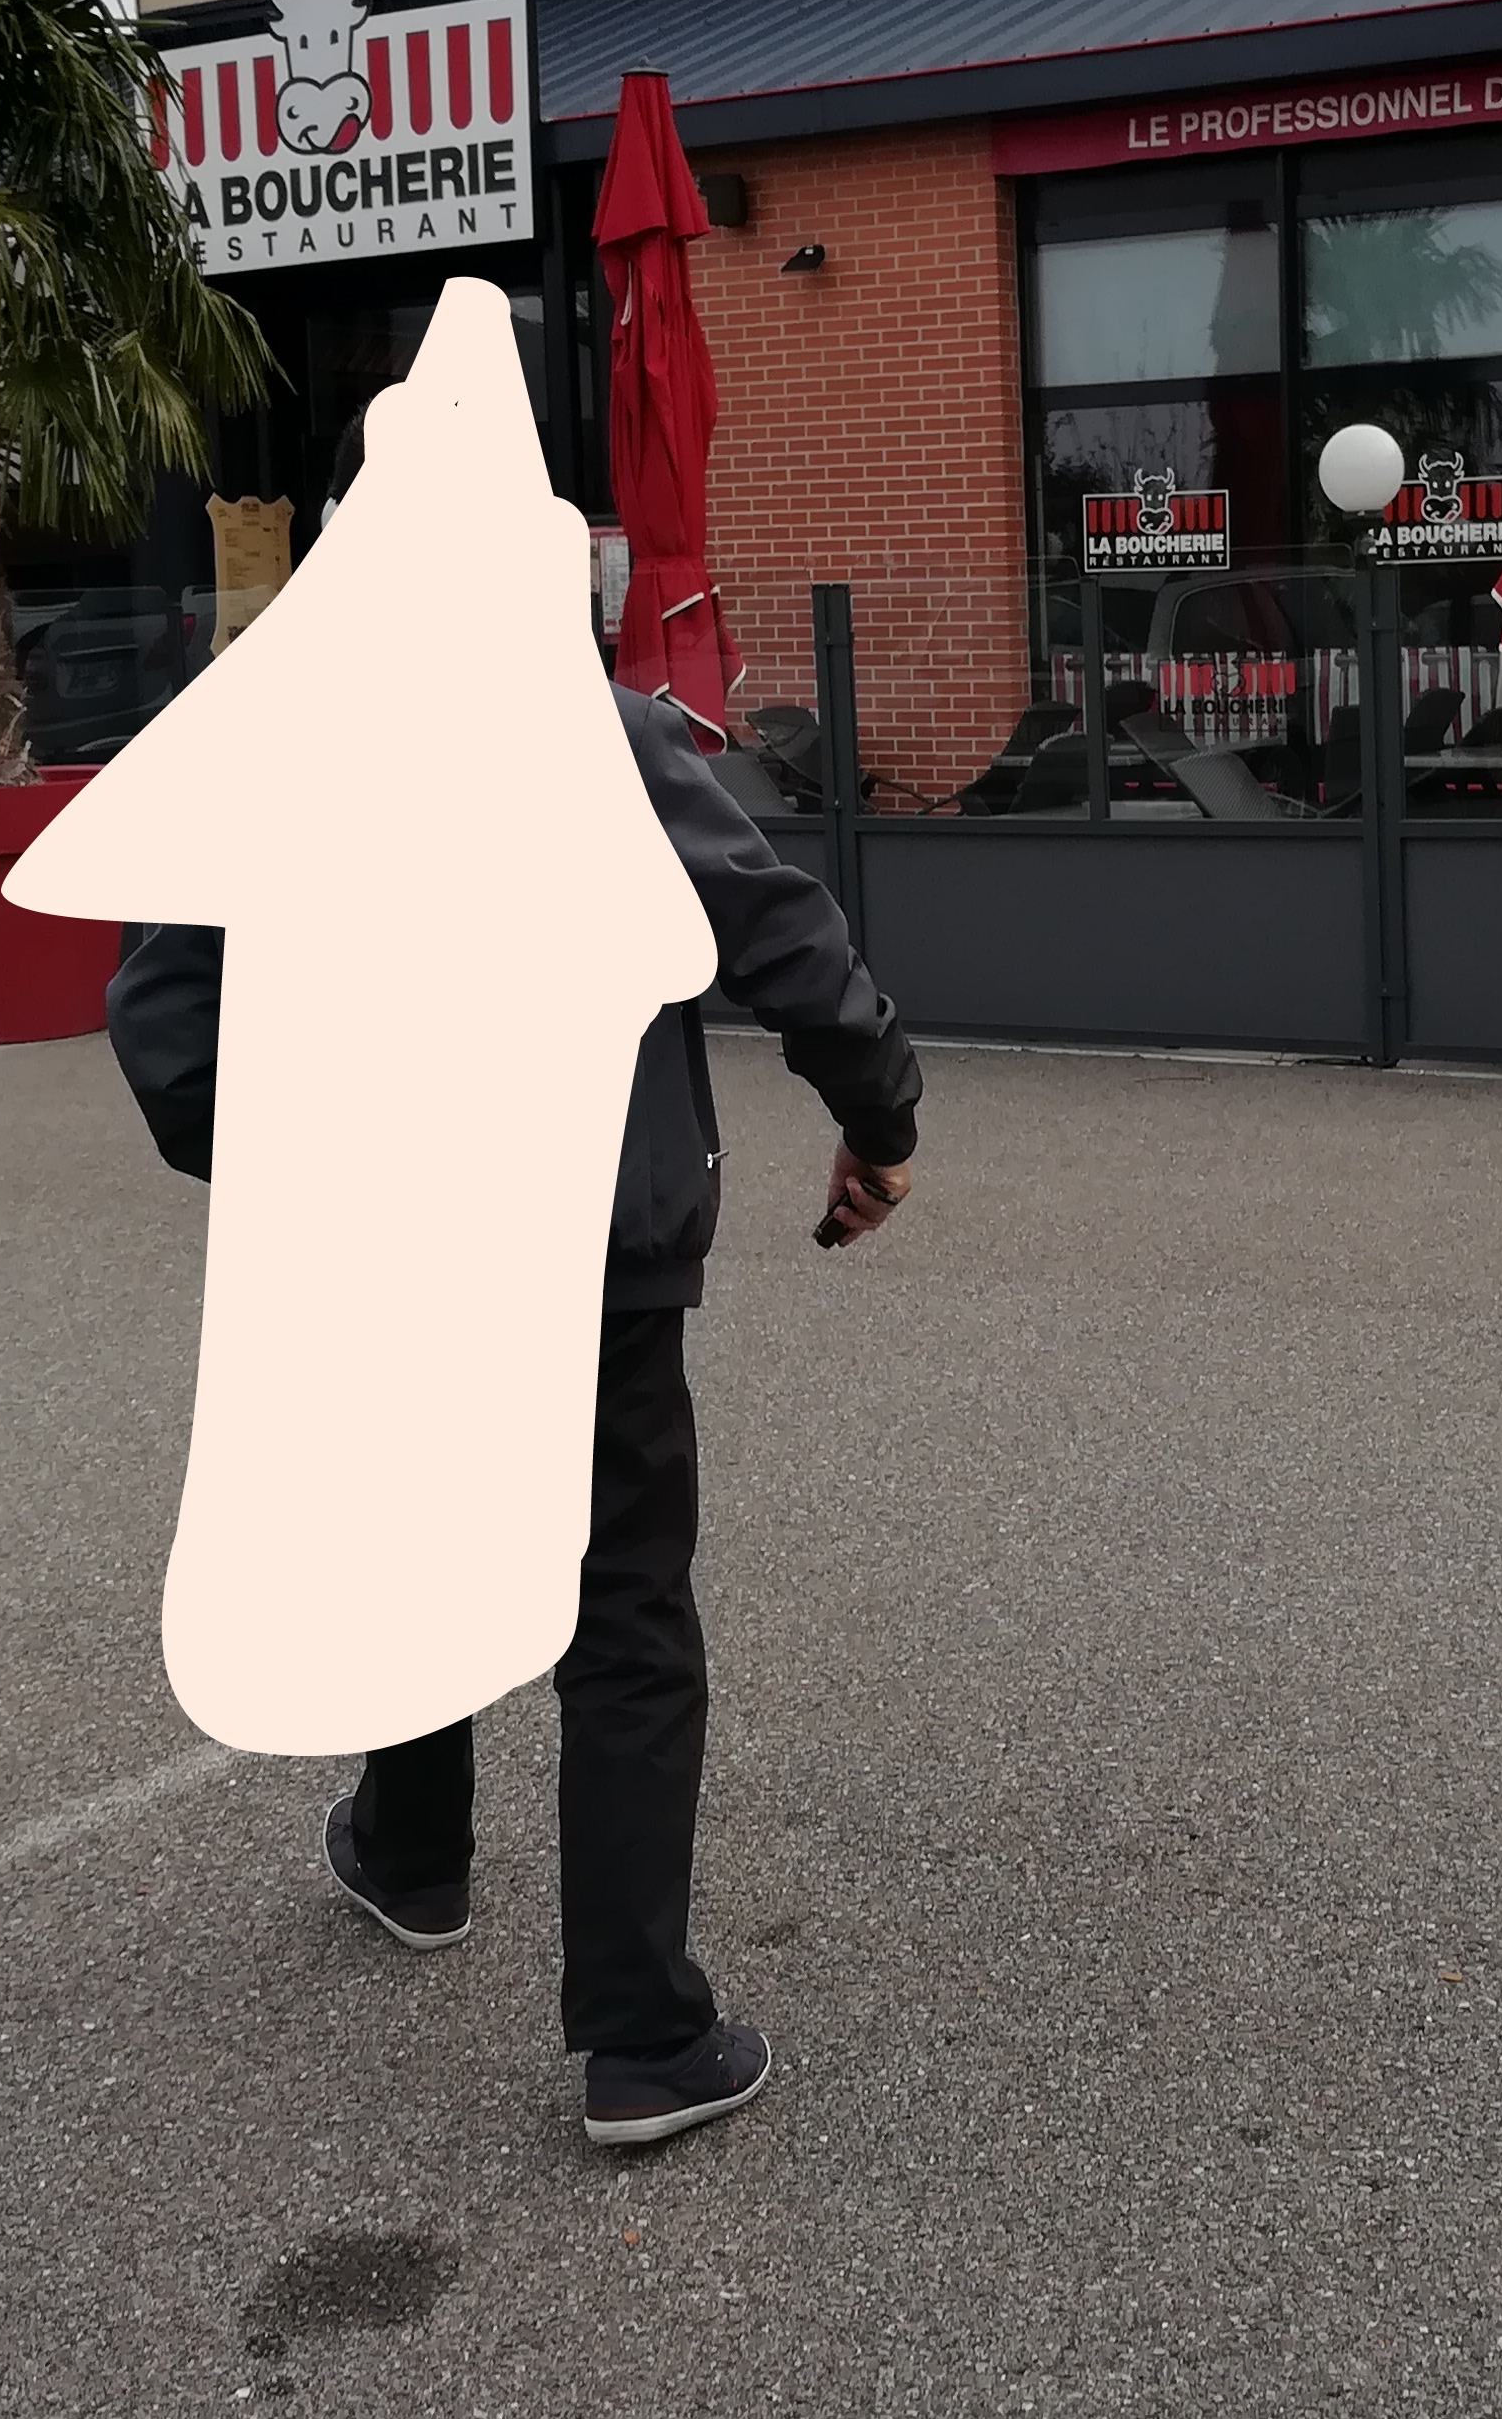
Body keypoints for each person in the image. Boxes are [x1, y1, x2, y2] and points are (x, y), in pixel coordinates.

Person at [104, 683, 918, 2147]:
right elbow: (780, 933)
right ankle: (642, 2038)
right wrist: (881, 1118)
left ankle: (414, 1858)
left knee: (425, 1537)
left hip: (387, 1252)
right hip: (595, 1245)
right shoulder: (601, 726)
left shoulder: (277, 733)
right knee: (627, 1616)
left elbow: (170, 1029)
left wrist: (329, 1173)